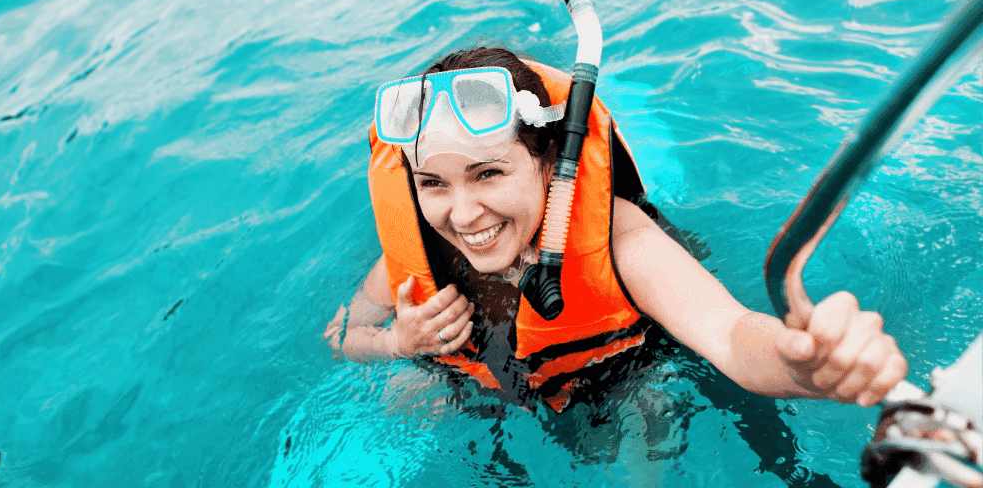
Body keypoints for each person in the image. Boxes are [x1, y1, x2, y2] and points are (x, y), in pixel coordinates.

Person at [324, 46, 908, 417]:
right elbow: (344, 333)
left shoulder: (622, 243)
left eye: (489, 174)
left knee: (646, 425)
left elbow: (732, 337)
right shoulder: (427, 248)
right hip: (492, 383)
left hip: (621, 382)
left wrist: (805, 367)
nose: (464, 214)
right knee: (404, 404)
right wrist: (397, 343)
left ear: (550, 165)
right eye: (435, 184)